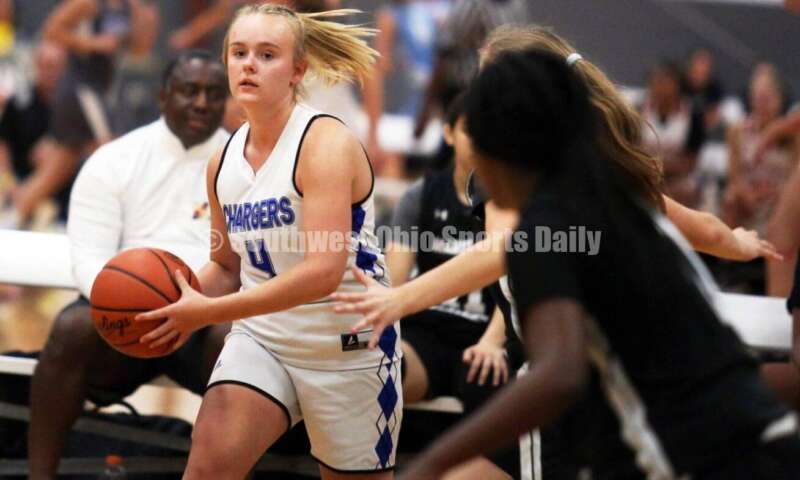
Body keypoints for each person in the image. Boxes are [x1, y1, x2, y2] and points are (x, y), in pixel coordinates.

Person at [403, 47, 800, 480]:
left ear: (500, 147)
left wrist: (432, 460)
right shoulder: (618, 195)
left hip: (699, 456)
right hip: (761, 435)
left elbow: (559, 375)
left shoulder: (545, 229)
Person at [135, 5, 400, 479]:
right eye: (239, 53)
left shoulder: (324, 143)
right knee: (208, 466)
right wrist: (173, 301)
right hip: (265, 339)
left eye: (267, 54)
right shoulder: (223, 161)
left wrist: (209, 313)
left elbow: (322, 272)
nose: (249, 64)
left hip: (346, 346)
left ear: (298, 70)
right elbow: (225, 266)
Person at [27, 51, 231, 480]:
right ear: (163, 96)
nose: (201, 103)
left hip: (205, 316)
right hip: (126, 318)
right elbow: (87, 256)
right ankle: (39, 475)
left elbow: (243, 263)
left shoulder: (246, 165)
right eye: (189, 91)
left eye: (214, 94)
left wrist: (196, 307)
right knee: (71, 328)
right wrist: (135, 306)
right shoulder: (114, 160)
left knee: (238, 342)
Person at [387, 93, 511, 479]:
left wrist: (493, 341)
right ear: (449, 133)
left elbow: (522, 286)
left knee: (486, 385)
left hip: (485, 340)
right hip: (427, 335)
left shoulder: (513, 198)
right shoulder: (421, 195)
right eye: (470, 129)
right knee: (377, 369)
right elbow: (393, 282)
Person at [0, 41, 66, 227]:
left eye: (54, 66)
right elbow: (2, 143)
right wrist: (8, 181)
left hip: (60, 191)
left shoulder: (72, 105)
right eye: (45, 65)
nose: (49, 72)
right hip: (19, 184)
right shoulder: (21, 101)